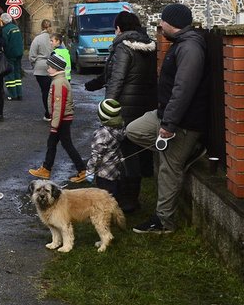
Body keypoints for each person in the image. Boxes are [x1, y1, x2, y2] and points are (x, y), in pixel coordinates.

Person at [126, 3, 209, 234]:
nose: (160, 25)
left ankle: (163, 222)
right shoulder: (180, 44)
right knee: (134, 130)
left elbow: (183, 89)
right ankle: (186, 151)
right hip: (165, 115)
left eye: (163, 21)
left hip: (183, 122)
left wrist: (169, 125)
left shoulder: (190, 48)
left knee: (168, 169)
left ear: (173, 23)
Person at [84, 11, 157, 213]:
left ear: (119, 28)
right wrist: (93, 84)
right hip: (145, 106)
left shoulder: (122, 48)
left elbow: (117, 78)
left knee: (123, 154)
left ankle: (125, 201)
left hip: (124, 108)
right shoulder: (150, 47)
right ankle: (131, 197)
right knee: (135, 152)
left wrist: (109, 107)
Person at [28, 53, 88, 183]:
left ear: (56, 68)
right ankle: (46, 169)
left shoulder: (59, 83)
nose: (48, 69)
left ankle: (82, 170)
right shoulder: (58, 81)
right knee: (53, 144)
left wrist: (54, 125)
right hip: (62, 119)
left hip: (61, 119)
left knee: (66, 144)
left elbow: (58, 106)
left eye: (49, 67)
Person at [29, 19, 54, 120]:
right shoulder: (55, 38)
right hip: (55, 66)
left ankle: (48, 113)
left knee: (45, 91)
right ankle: (56, 112)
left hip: (40, 67)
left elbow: (32, 55)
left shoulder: (37, 39)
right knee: (55, 91)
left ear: (41, 27)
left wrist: (34, 65)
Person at [1, 13, 25, 100]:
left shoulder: (5, 30)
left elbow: (4, 43)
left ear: (3, 21)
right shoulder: (16, 28)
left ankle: (13, 94)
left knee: (10, 74)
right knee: (17, 73)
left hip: (10, 54)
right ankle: (19, 94)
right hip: (19, 53)